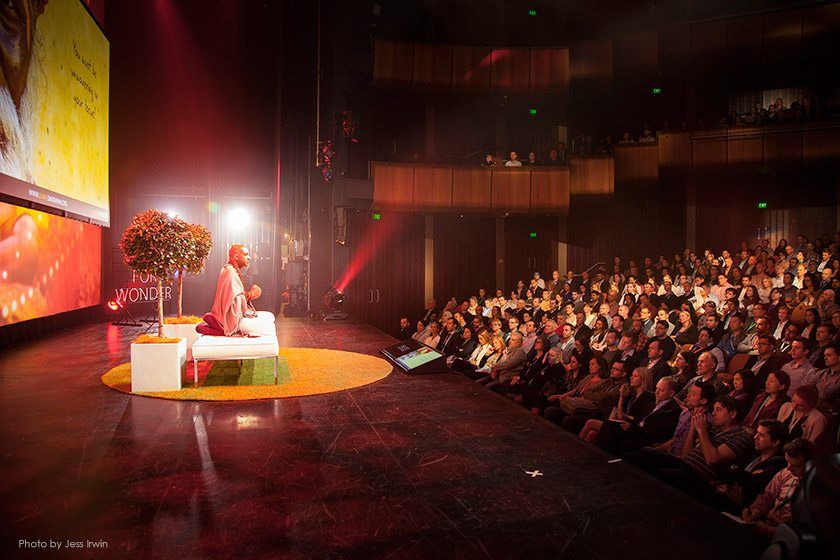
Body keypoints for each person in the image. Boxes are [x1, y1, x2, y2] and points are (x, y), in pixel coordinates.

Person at [742, 438, 816, 535]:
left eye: (795, 466)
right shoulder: (785, 473)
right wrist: (755, 512)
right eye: (787, 462)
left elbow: (807, 531)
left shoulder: (816, 489)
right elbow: (767, 497)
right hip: (768, 524)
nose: (788, 468)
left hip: (787, 536)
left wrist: (770, 530)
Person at [209, 244, 275, 336]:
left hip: (237, 318)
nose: (249, 257)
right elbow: (234, 304)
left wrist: (249, 294)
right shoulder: (229, 271)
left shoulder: (232, 270)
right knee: (267, 325)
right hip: (230, 321)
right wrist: (251, 294)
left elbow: (236, 297)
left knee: (270, 317)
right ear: (236, 256)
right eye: (246, 254)